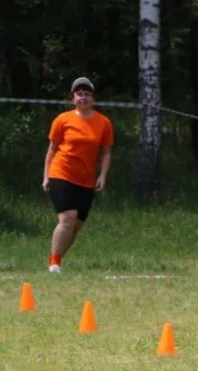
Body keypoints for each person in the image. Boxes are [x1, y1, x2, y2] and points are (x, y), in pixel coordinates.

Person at [42, 77, 113, 273]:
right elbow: (52, 149)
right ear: (73, 98)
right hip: (61, 173)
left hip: (86, 179)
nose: (83, 98)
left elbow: (106, 151)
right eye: (79, 94)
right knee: (67, 218)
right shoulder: (62, 120)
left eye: (87, 94)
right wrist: (46, 176)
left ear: (93, 99)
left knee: (75, 226)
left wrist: (103, 175)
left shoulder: (103, 123)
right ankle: (54, 263)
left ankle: (55, 258)